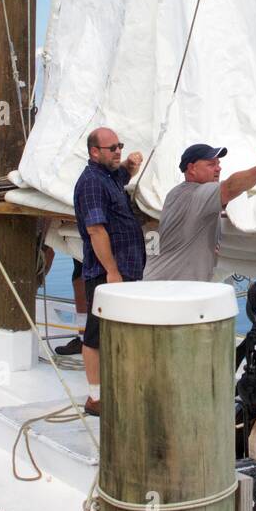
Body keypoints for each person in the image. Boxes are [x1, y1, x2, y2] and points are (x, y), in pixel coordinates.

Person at [73, 126, 146, 416]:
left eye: (120, 146)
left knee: (118, 331)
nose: (118, 151)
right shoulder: (91, 182)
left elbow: (122, 175)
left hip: (124, 271)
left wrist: (129, 165)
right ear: (94, 152)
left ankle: (116, 390)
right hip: (107, 274)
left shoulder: (108, 176)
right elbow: (95, 229)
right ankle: (96, 399)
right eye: (112, 148)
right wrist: (112, 272)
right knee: (96, 334)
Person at [143, 144, 256, 282]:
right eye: (211, 164)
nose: (218, 168)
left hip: (163, 285)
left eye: (218, 164)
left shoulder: (176, 193)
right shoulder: (194, 194)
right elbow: (230, 187)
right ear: (192, 168)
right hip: (170, 290)